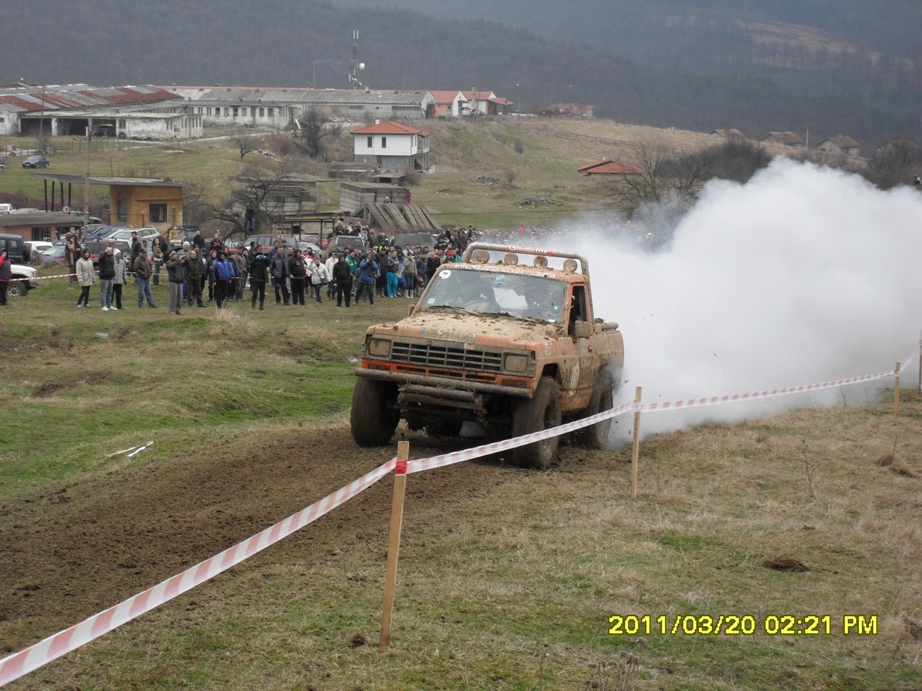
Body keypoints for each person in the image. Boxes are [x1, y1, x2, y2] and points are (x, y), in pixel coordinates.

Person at [249, 245, 269, 310]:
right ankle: (253, 305)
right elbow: (250, 263)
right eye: (259, 255)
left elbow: (269, 262)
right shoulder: (255, 262)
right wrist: (255, 258)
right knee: (255, 293)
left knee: (262, 294)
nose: (260, 256)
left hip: (263, 279)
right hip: (256, 279)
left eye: (261, 255)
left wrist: (265, 258)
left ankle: (261, 305)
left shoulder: (264, 262)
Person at [165, 250, 185, 314]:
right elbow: (171, 266)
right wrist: (178, 260)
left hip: (179, 281)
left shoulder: (178, 262)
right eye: (174, 254)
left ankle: (178, 309)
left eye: (176, 254)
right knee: (173, 296)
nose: (176, 255)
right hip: (173, 281)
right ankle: (171, 309)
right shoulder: (169, 262)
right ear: (171, 256)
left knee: (180, 297)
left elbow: (184, 264)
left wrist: (186, 260)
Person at [97, 245, 116, 311]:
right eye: (108, 250)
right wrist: (105, 253)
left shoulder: (112, 257)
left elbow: (112, 267)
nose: (109, 251)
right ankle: (103, 305)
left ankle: (109, 305)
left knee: (109, 292)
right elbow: (100, 260)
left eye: (110, 250)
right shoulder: (102, 256)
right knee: (104, 292)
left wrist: (114, 275)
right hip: (104, 277)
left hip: (110, 277)